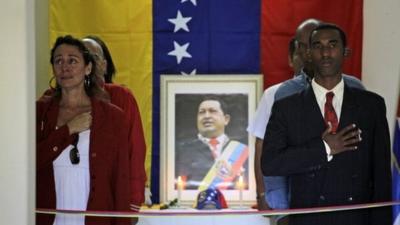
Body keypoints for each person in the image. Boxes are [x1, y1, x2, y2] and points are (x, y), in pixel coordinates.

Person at [261, 23, 392, 225]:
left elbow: (382, 175)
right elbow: (270, 163)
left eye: (332, 45)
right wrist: (324, 148)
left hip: (356, 219)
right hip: (308, 219)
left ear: (345, 51)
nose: (325, 53)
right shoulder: (286, 107)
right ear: (308, 53)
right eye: (317, 46)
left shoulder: (371, 105)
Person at [248, 18, 365, 213]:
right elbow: (266, 152)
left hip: (347, 200)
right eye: (304, 46)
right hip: (297, 200)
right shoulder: (279, 95)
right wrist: (272, 201)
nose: (312, 52)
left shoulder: (356, 88)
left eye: (325, 45)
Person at [36, 35, 131, 225]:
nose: (65, 67)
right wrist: (68, 130)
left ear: (88, 68)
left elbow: (120, 181)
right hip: (48, 213)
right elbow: (28, 164)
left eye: (73, 60)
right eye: (58, 61)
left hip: (96, 215)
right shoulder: (39, 112)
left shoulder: (113, 117)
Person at [82, 36, 147, 212]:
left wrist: (133, 203)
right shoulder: (53, 100)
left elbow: (135, 152)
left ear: (104, 65)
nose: (88, 63)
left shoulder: (121, 97)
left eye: (93, 58)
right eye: (81, 57)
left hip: (110, 197)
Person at [175, 96, 249, 191]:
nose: (206, 116)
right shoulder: (182, 150)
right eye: (202, 112)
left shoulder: (241, 150)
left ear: (226, 119)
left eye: (212, 111)